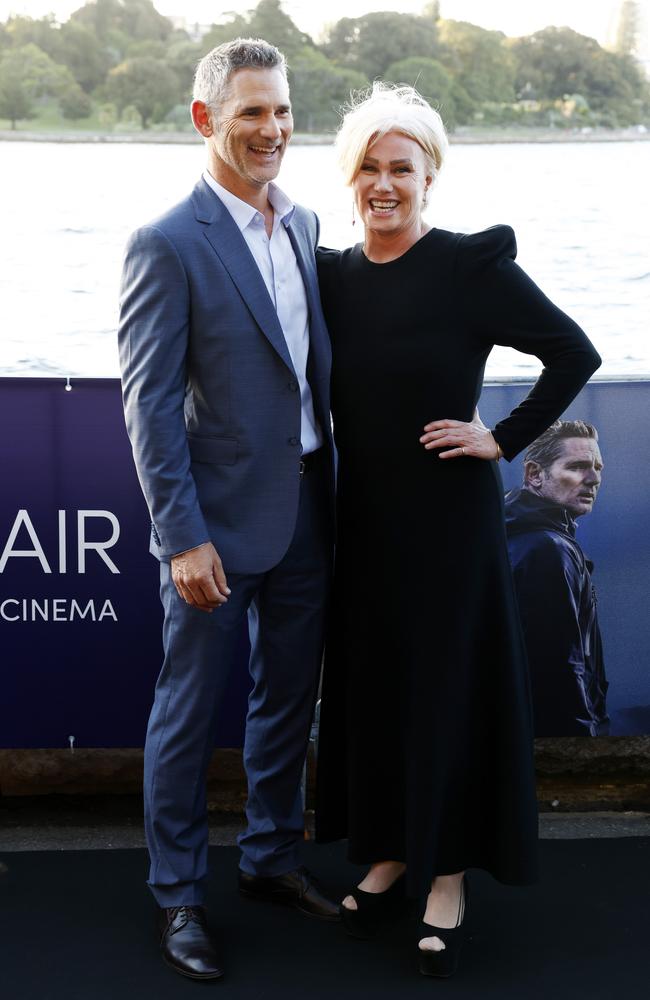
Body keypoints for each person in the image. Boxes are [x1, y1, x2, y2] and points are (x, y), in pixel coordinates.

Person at [314, 83, 602, 978]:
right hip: (363, 520)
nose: (385, 183)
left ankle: (445, 877)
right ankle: (392, 852)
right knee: (380, 689)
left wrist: (501, 437)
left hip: (447, 520)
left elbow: (574, 351)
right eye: (371, 166)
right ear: (350, 175)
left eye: (404, 167)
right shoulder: (330, 275)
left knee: (443, 691)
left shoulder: (469, 268)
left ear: (430, 176)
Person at [118, 38, 338, 982]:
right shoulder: (168, 241)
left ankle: (269, 860)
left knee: (287, 698)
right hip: (213, 528)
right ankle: (178, 898)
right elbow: (149, 402)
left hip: (308, 513)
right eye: (252, 112)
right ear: (208, 120)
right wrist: (182, 538)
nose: (273, 130)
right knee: (186, 710)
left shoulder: (305, 222)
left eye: (283, 111)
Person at [505, 420, 609, 737]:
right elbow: (560, 665)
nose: (593, 479)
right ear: (534, 474)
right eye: (578, 466)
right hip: (556, 738)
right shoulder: (548, 550)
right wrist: (583, 743)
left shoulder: (519, 537)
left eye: (597, 467)